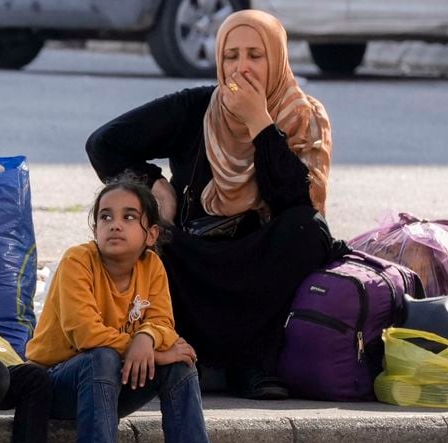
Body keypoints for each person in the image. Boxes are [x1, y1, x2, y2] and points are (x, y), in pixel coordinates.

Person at [85, 10, 338, 400]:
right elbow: (104, 144)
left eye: (256, 55)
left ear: (277, 57)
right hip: (199, 258)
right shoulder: (196, 107)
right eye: (231, 56)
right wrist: (154, 185)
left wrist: (260, 124)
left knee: (307, 229)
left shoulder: (303, 116)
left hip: (261, 263)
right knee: (151, 234)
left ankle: (253, 363)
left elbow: (296, 198)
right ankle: (194, 356)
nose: (242, 68)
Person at [27, 178, 224, 443]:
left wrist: (147, 339)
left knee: (180, 363)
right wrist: (152, 348)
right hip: (57, 382)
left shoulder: (152, 267)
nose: (115, 224)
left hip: (111, 382)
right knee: (102, 356)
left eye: (129, 217)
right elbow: (86, 335)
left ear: (151, 235)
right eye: (105, 217)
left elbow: (163, 324)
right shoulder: (78, 261)